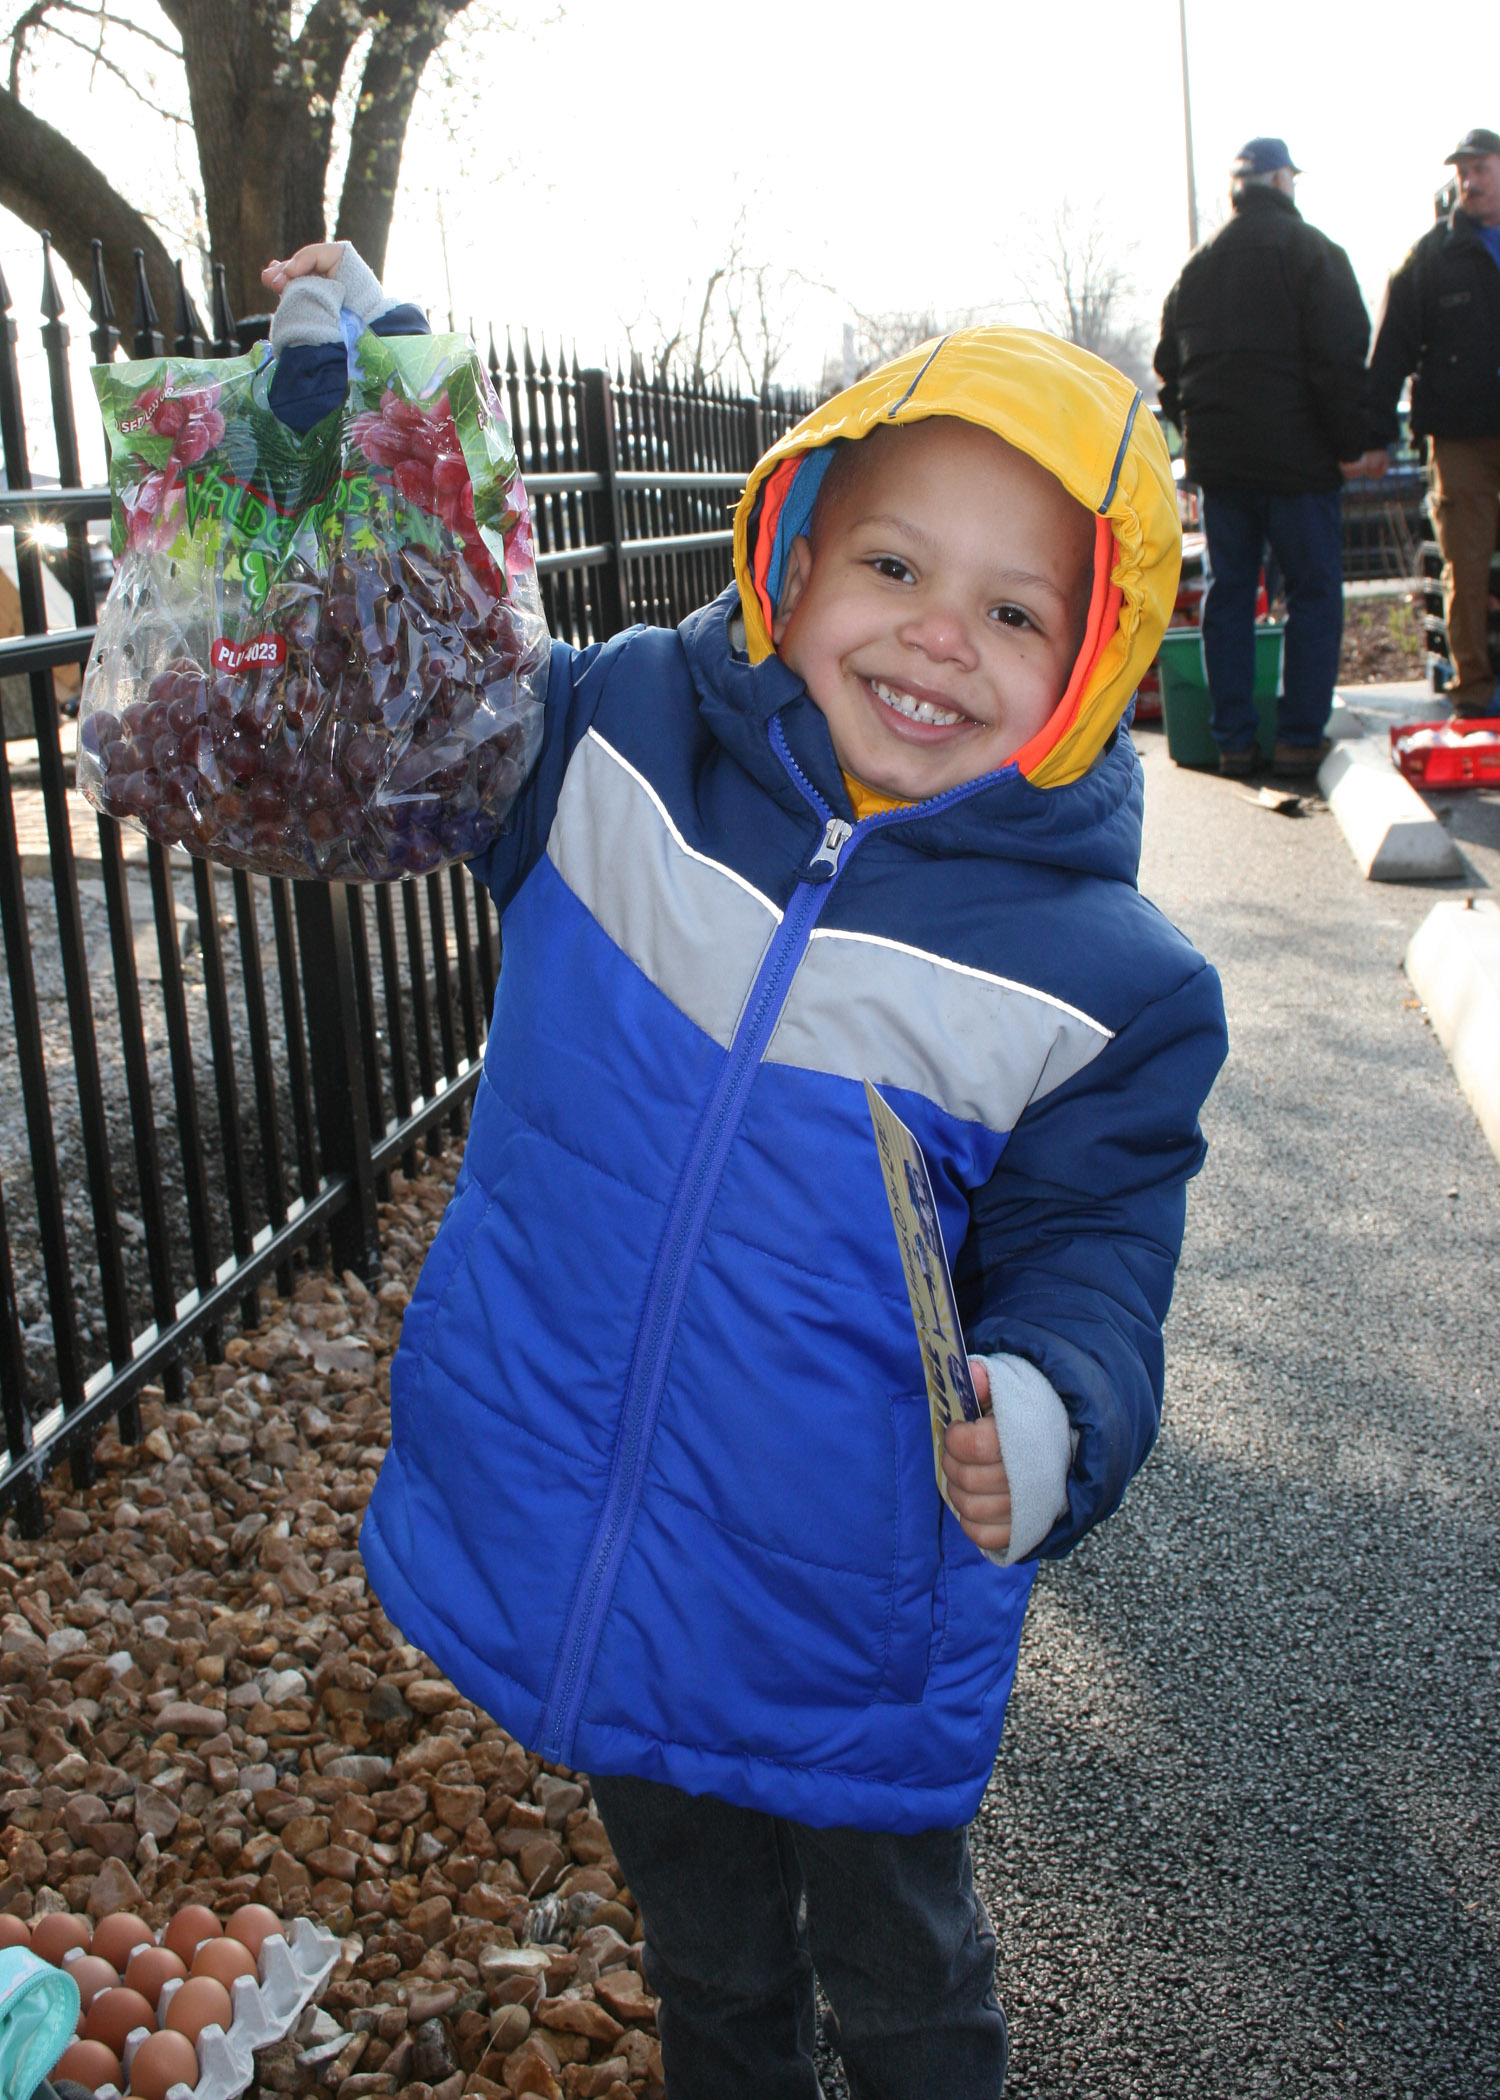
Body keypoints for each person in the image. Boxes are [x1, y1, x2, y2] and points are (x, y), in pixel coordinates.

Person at [264, 243, 1228, 2098]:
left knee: (905, 1978)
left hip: (850, 1603)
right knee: (707, 1970)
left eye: (1018, 614)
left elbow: (1098, 1249)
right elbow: (437, 652)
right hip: (600, 1557)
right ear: (785, 560)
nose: (942, 634)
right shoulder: (617, 747)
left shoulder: (1103, 982)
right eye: (891, 566)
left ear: (1093, 671)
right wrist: (377, 388)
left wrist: (1053, 1407)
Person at [1154, 137, 1371, 777]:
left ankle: (1234, 741)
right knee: (1312, 595)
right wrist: (1347, 445)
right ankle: (1301, 739)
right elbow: (1340, 357)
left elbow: (1169, 371)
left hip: (1222, 467)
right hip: (1299, 465)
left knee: (1227, 596)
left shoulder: (1196, 269)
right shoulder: (1314, 254)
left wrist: (1198, 433)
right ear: (1281, 181)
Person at [1366, 127, 1500, 720]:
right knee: (1464, 566)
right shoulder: (1430, 259)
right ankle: (1473, 692)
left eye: (1481, 168)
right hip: (1460, 435)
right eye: (1462, 171)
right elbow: (1390, 349)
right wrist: (1371, 434)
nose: (1469, 181)